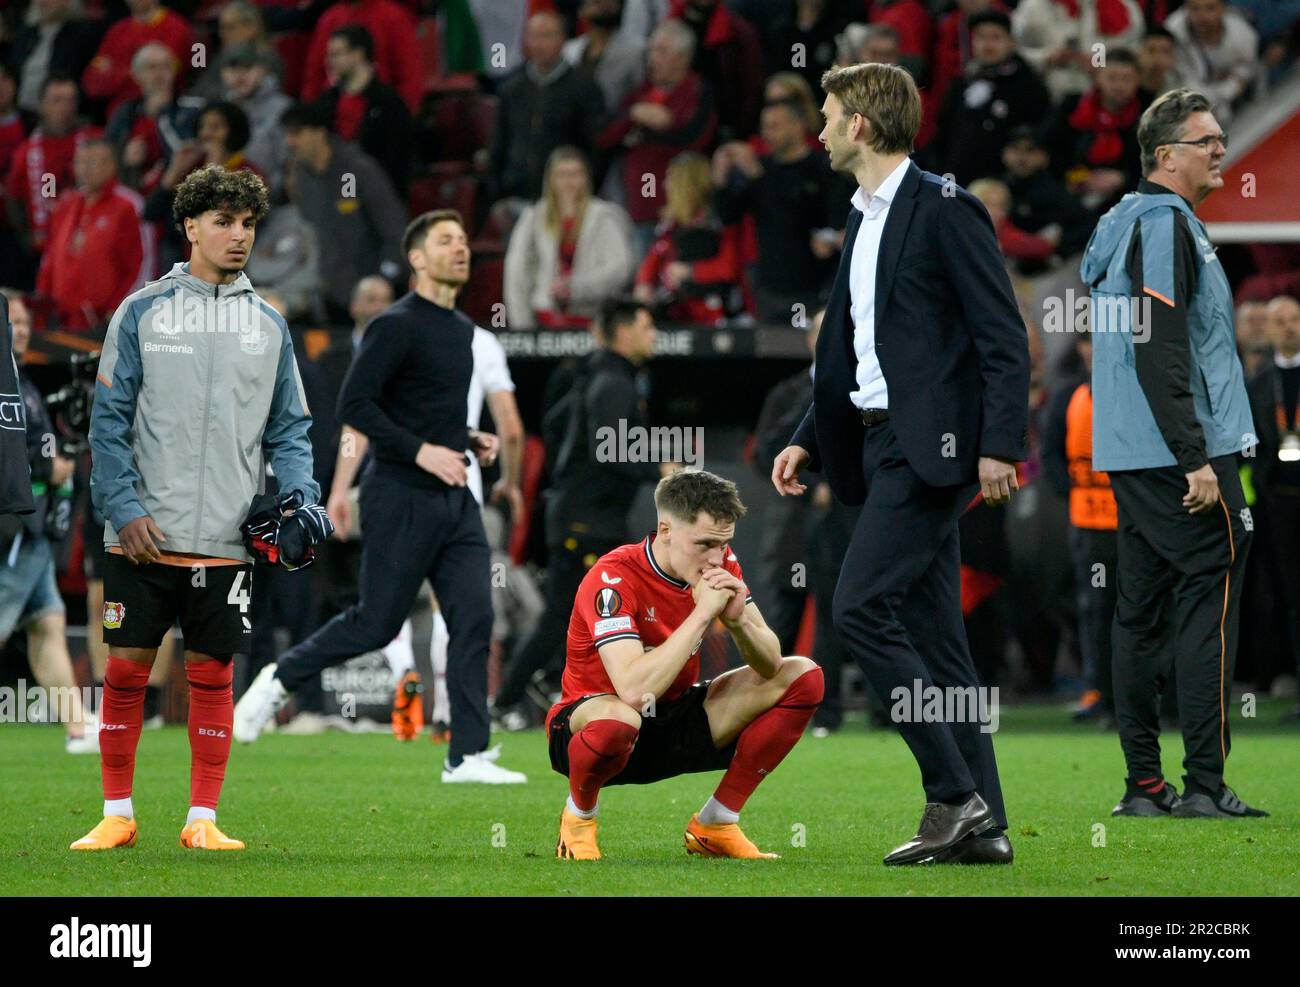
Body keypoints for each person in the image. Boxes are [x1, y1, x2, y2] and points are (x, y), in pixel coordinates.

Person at [772, 62, 1029, 866]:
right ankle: (985, 827)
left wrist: (998, 444)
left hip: (934, 452)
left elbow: (1003, 336)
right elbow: (855, 353)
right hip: (879, 444)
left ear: (861, 125)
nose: (817, 129)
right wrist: (807, 434)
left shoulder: (948, 210)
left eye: (826, 114)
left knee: (856, 605)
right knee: (941, 649)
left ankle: (953, 795)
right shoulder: (860, 217)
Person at [73, 165, 324, 852]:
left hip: (225, 539)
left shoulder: (268, 324)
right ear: (189, 227)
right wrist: (122, 507)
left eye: (247, 223)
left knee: (213, 674)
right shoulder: (142, 311)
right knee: (124, 670)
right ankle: (117, 813)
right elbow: (108, 422)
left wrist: (303, 500)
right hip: (141, 535)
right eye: (223, 221)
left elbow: (291, 430)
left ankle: (201, 819)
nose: (238, 235)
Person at [234, 210, 529, 785]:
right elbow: (355, 407)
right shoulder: (395, 325)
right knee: (375, 621)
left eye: (465, 240)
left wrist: (468, 440)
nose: (462, 248)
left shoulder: (463, 330)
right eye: (447, 240)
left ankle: (466, 754)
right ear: (417, 258)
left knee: (474, 618)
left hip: (455, 497)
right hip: (399, 495)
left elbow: (420, 411)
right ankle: (277, 680)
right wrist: (420, 451)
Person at [1081, 88, 1264, 818]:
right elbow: (1161, 345)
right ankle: (1207, 786)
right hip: (1185, 452)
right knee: (1209, 605)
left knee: (1139, 614)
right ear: (1166, 157)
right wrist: (1196, 457)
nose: (1221, 149)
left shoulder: (1118, 220)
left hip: (1128, 452)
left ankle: (1143, 785)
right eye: (1207, 140)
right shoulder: (1166, 226)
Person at [548, 468, 823, 860]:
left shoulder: (722, 563)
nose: (716, 558)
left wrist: (738, 622)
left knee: (802, 676)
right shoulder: (612, 577)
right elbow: (632, 691)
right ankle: (579, 819)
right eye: (705, 544)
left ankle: (717, 823)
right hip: (593, 727)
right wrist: (700, 617)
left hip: (671, 717)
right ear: (665, 530)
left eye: (723, 544)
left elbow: (770, 663)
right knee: (618, 720)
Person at [493, 299, 671, 719]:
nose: (653, 334)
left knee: (591, 615)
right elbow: (609, 450)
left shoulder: (593, 375)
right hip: (586, 521)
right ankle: (505, 700)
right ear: (623, 332)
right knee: (567, 616)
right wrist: (658, 466)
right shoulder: (613, 383)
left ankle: (556, 692)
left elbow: (556, 426)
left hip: (586, 516)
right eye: (646, 325)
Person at [0, 290, 97, 753]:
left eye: (23, 323)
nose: (20, 330)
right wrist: (47, 467)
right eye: (11, 322)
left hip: (32, 525)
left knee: (47, 625)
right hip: (13, 526)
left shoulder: (22, 380)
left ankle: (79, 728)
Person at [281, 101, 406, 321]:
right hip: (331, 296)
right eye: (287, 134)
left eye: (297, 133)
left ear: (319, 133)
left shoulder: (357, 170)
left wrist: (384, 280)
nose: (290, 142)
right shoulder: (301, 178)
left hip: (372, 296)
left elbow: (394, 229)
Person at [503, 147, 635, 329]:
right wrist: (522, 325)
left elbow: (619, 269)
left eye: (575, 174)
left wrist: (576, 289)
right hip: (544, 317)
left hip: (593, 318)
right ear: (551, 179)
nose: (569, 182)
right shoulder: (533, 217)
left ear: (586, 178)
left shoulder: (605, 216)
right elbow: (517, 271)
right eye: (562, 174)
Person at [1246, 296, 1300, 720]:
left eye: (1294, 319)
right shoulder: (1260, 382)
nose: (1287, 327)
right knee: (1285, 593)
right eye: (1279, 321)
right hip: (1276, 504)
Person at [487, 11, 605, 206]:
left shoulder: (584, 88)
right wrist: (497, 193)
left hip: (565, 200)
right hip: (515, 195)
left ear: (562, 40)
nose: (539, 44)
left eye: (547, 36)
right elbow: (499, 142)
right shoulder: (512, 88)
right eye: (534, 36)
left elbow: (596, 146)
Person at [35, 138, 149, 331]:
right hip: (62, 320)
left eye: (92, 163)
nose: (84, 169)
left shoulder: (129, 205)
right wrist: (41, 301)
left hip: (106, 321)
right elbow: (51, 257)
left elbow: (143, 263)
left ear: (111, 166)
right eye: (79, 162)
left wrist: (119, 309)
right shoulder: (66, 204)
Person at [317, 24, 414, 197]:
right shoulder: (327, 100)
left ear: (358, 54)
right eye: (329, 55)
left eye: (337, 54)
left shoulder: (388, 103)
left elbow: (398, 159)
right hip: (333, 192)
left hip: (377, 194)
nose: (329, 61)